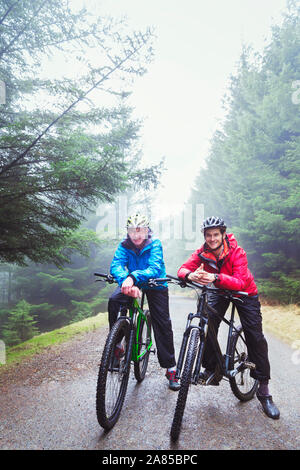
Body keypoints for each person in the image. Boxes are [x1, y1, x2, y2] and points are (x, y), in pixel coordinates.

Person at [177, 216, 280, 419]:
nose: (212, 238)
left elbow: (241, 282)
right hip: (221, 291)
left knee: (255, 337)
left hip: (245, 293)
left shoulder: (237, 252)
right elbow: (182, 268)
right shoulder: (202, 252)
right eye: (208, 235)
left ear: (223, 234)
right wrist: (190, 276)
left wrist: (215, 277)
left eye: (216, 234)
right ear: (205, 237)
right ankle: (212, 368)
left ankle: (264, 391)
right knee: (208, 322)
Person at [108, 212, 180, 391]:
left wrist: (133, 277)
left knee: (162, 323)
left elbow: (155, 268)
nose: (137, 235)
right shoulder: (123, 245)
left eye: (141, 230)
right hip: (131, 282)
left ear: (147, 230)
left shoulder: (155, 244)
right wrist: (126, 280)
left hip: (155, 283)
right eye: (133, 231)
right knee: (114, 301)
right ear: (128, 231)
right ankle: (117, 345)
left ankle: (171, 368)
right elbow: (116, 265)